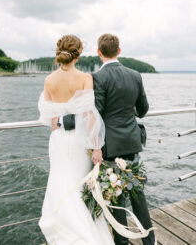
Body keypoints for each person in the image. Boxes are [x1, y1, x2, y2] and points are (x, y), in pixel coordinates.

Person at [53, 34, 156, 245]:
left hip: (109, 145)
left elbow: (93, 114)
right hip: (132, 142)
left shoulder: (97, 78)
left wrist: (64, 121)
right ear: (119, 51)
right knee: (137, 193)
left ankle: (122, 242)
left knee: (115, 195)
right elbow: (143, 110)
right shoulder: (135, 75)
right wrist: (126, 113)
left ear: (99, 53)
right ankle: (150, 241)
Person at [38, 35, 115, 244]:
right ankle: (83, 231)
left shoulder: (49, 80)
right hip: (79, 140)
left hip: (59, 140)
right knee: (78, 184)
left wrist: (58, 120)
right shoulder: (84, 78)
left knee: (60, 180)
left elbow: (46, 117)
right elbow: (89, 116)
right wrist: (96, 146)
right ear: (78, 54)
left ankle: (64, 229)